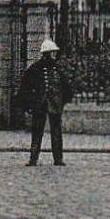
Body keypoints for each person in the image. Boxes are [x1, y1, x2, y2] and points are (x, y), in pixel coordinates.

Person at [17, 39, 73, 167]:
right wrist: (30, 103)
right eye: (50, 53)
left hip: (54, 104)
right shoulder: (35, 68)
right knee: (37, 132)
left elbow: (66, 87)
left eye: (53, 53)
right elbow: (25, 87)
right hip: (40, 104)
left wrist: (61, 102)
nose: (52, 55)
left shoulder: (58, 68)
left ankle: (58, 159)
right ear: (45, 53)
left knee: (56, 132)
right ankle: (33, 158)